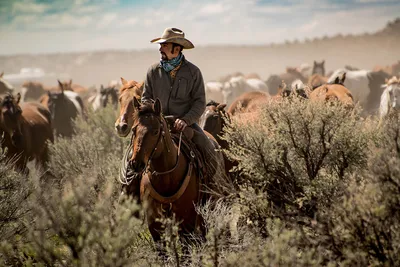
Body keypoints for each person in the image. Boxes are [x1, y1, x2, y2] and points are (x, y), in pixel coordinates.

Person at [142, 27, 218, 176]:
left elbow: (199, 102)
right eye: (160, 45)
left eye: (164, 45)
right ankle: (128, 190)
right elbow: (145, 98)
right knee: (135, 151)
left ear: (176, 49)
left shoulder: (193, 72)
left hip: (185, 125)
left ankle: (208, 188)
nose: (160, 49)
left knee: (208, 150)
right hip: (157, 124)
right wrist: (154, 116)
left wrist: (186, 120)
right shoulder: (152, 71)